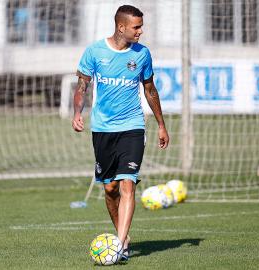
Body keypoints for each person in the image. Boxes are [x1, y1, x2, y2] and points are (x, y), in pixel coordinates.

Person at [72, 5, 169, 261]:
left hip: (133, 127)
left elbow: (150, 90)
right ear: (121, 27)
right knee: (110, 189)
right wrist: (77, 113)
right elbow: (82, 86)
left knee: (128, 184)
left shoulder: (143, 54)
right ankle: (123, 237)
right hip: (103, 129)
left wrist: (160, 124)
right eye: (136, 27)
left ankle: (118, 246)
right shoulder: (94, 52)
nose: (140, 31)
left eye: (141, 26)